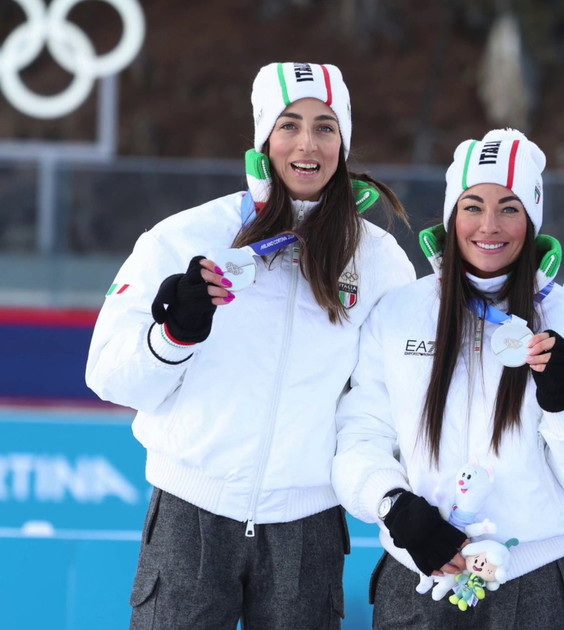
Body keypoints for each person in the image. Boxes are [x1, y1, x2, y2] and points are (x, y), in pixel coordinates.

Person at [85, 62, 416, 629]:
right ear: (265, 136)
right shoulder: (185, 236)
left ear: (345, 140)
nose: (307, 144)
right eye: (289, 125)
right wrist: (173, 336)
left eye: (325, 127)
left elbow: (399, 394)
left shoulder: (379, 259)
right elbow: (108, 375)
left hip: (307, 527)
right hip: (192, 517)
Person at [331, 128, 564, 629]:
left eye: (510, 208)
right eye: (473, 206)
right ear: (453, 214)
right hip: (420, 580)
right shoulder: (400, 314)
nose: (489, 225)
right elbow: (359, 436)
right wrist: (393, 505)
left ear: (533, 219)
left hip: (531, 588)